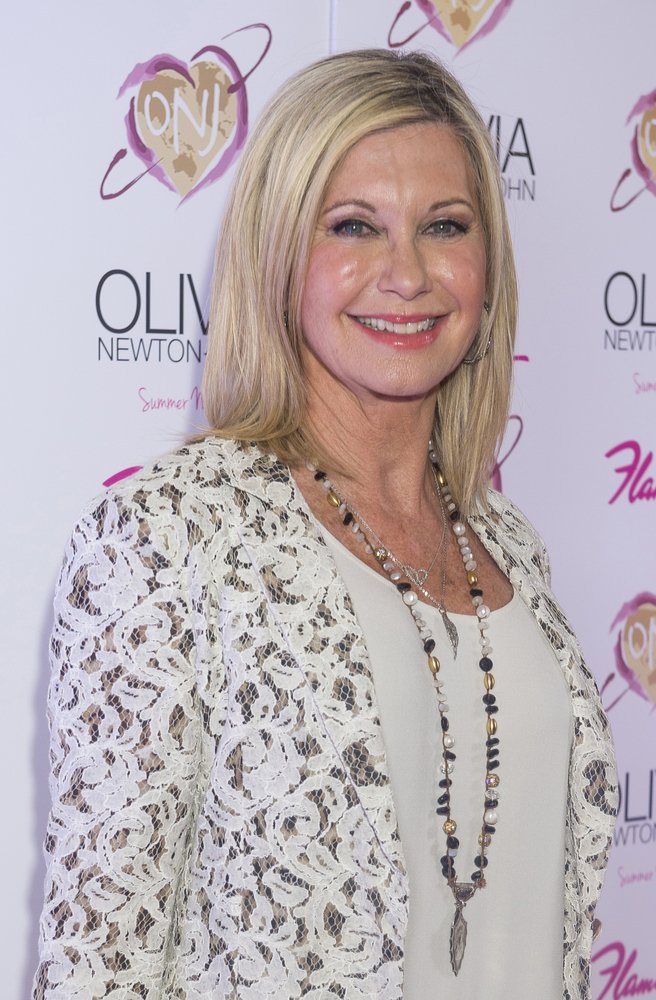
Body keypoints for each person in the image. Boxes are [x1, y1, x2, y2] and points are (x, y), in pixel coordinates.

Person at [33, 49, 617, 999]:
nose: (408, 272)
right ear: (278, 253)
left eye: (446, 226)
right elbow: (100, 966)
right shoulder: (167, 538)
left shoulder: (508, 543)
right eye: (354, 226)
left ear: (488, 264)